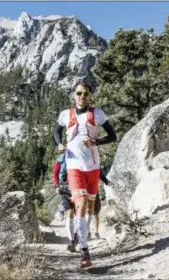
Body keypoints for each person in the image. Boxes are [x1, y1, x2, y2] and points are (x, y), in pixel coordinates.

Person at [54, 82, 117, 268]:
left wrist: (97, 141)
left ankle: (81, 234)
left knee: (90, 206)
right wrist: (59, 144)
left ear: (90, 96)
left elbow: (113, 136)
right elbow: (57, 131)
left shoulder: (97, 114)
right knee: (79, 202)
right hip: (74, 165)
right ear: (74, 95)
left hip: (93, 166)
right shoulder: (66, 115)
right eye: (79, 93)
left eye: (85, 93)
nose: (82, 96)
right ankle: (84, 252)